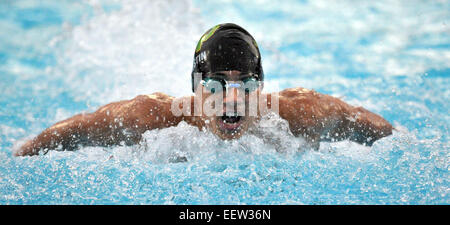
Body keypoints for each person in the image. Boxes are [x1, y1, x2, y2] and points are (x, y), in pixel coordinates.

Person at [15, 23, 393, 157]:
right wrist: (18, 156)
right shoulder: (152, 117)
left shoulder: (301, 113)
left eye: (244, 86)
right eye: (215, 87)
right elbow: (75, 129)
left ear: (260, 88)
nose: (231, 100)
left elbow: (377, 130)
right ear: (195, 89)